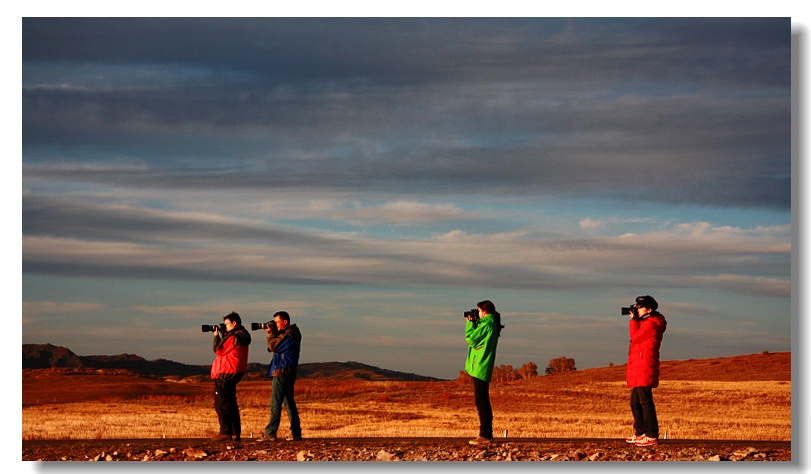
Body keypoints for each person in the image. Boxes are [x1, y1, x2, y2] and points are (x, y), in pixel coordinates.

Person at [624, 295, 667, 447]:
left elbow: (635, 338)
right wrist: (636, 320)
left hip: (645, 367)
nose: (637, 310)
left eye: (640, 307)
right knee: (635, 402)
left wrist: (633, 320)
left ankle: (651, 435)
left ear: (649, 309)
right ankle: (641, 432)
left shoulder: (651, 324)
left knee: (645, 402)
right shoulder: (645, 323)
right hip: (639, 367)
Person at [464, 300, 504, 445]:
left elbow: (471, 339)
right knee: (482, 400)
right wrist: (475, 322)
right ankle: (486, 433)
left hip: (481, 366)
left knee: (481, 401)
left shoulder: (488, 325)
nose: (477, 314)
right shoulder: (489, 324)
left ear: (485, 312)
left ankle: (485, 434)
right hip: (480, 365)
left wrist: (470, 323)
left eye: (479, 311)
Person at [260, 311, 303, 442]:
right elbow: (273, 347)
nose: (275, 325)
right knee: (289, 402)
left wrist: (270, 334)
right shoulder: (291, 334)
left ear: (285, 322)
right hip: (288, 371)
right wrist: (275, 333)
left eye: (277, 322)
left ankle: (270, 432)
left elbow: (273, 346)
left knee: (275, 403)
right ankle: (296, 433)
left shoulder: (290, 335)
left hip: (282, 371)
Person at [210, 311, 251, 442]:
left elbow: (219, 350)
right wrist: (225, 335)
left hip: (225, 371)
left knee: (221, 403)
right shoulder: (242, 335)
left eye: (227, 324)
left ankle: (225, 432)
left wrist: (216, 336)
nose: (225, 327)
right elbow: (229, 348)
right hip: (235, 371)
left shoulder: (234, 336)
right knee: (231, 403)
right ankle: (235, 433)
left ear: (234, 323)